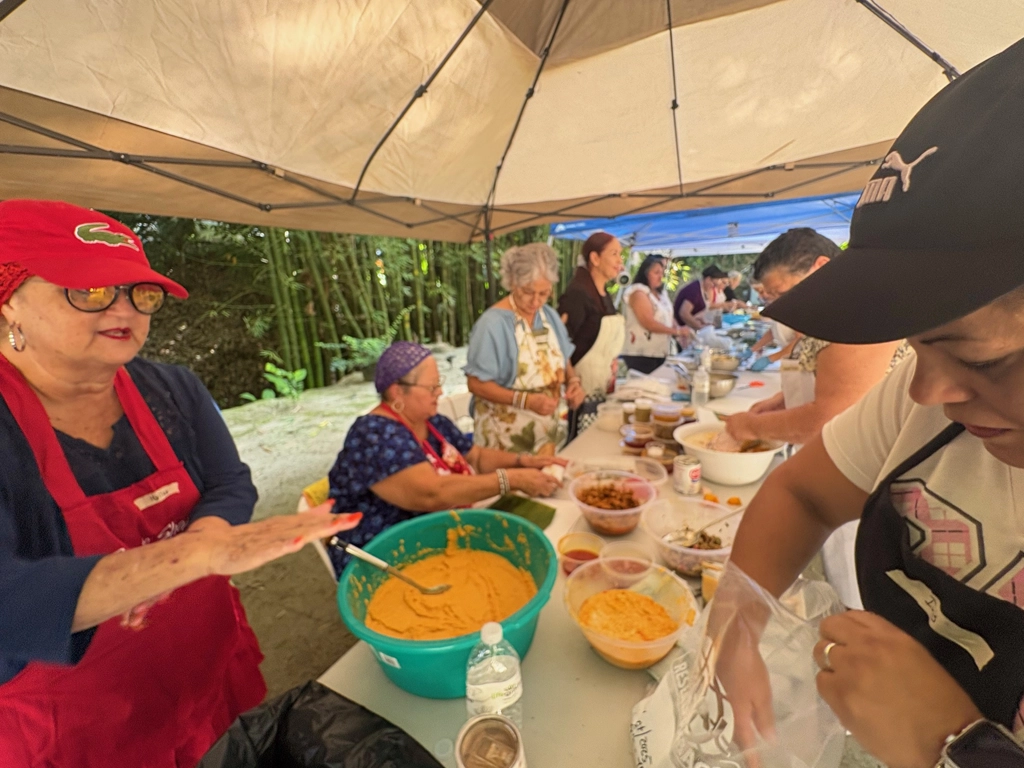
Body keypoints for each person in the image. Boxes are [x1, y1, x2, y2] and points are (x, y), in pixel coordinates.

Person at [722, 41, 1024, 768]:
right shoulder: (927, 408)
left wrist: (956, 742)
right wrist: (737, 629)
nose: (925, 392)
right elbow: (800, 491)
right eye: (916, 348)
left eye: (984, 359)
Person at [0, 200, 362, 767]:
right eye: (91, 289)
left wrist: (200, 546)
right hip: (83, 732)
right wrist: (181, 561)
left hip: (207, 672)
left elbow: (230, 485)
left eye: (138, 292)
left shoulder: (171, 389)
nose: (124, 307)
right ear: (11, 299)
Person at [327, 342, 563, 572]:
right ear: (397, 391)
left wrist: (523, 461)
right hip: (382, 555)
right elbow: (433, 493)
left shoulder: (431, 421)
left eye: (439, 385)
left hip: (437, 530)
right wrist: (510, 480)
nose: (440, 392)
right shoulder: (374, 434)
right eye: (432, 388)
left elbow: (477, 456)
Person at [465, 243, 585, 455]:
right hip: (503, 438)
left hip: (547, 435)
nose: (536, 301)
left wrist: (573, 381)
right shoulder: (492, 324)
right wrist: (525, 400)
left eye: (544, 293)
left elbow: (563, 357)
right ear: (512, 282)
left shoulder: (549, 316)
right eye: (528, 292)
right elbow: (476, 384)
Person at [557, 232, 626, 436]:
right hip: (580, 392)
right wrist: (572, 382)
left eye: (620, 254)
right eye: (614, 254)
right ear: (595, 258)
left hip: (603, 387)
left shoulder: (605, 296)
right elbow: (560, 343)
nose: (619, 261)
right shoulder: (577, 294)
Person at [620, 254, 689, 374]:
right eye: (656, 272)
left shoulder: (661, 293)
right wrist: (676, 332)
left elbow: (669, 317)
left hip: (659, 351)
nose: (660, 276)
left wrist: (679, 330)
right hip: (640, 354)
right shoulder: (638, 292)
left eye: (662, 273)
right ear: (646, 273)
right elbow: (649, 323)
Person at [673, 264, 730, 330]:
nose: (714, 288)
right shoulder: (694, 291)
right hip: (681, 328)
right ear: (708, 279)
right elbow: (684, 313)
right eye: (714, 284)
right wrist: (699, 327)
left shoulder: (703, 290)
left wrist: (705, 323)